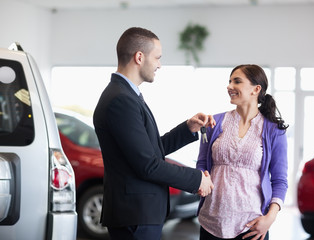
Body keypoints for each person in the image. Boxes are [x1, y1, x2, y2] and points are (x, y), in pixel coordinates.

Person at [93, 27, 215, 240]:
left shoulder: (127, 95)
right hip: (134, 215)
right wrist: (196, 180)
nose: (159, 64)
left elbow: (148, 150)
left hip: (138, 214)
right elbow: (148, 165)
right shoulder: (121, 100)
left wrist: (187, 128)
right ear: (139, 57)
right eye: (157, 58)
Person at [196, 64, 288, 240]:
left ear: (256, 89)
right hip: (211, 222)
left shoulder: (274, 130)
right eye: (229, 81)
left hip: (251, 226)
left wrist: (270, 218)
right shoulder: (214, 123)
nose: (229, 86)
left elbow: (280, 180)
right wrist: (201, 179)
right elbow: (201, 164)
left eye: (236, 81)